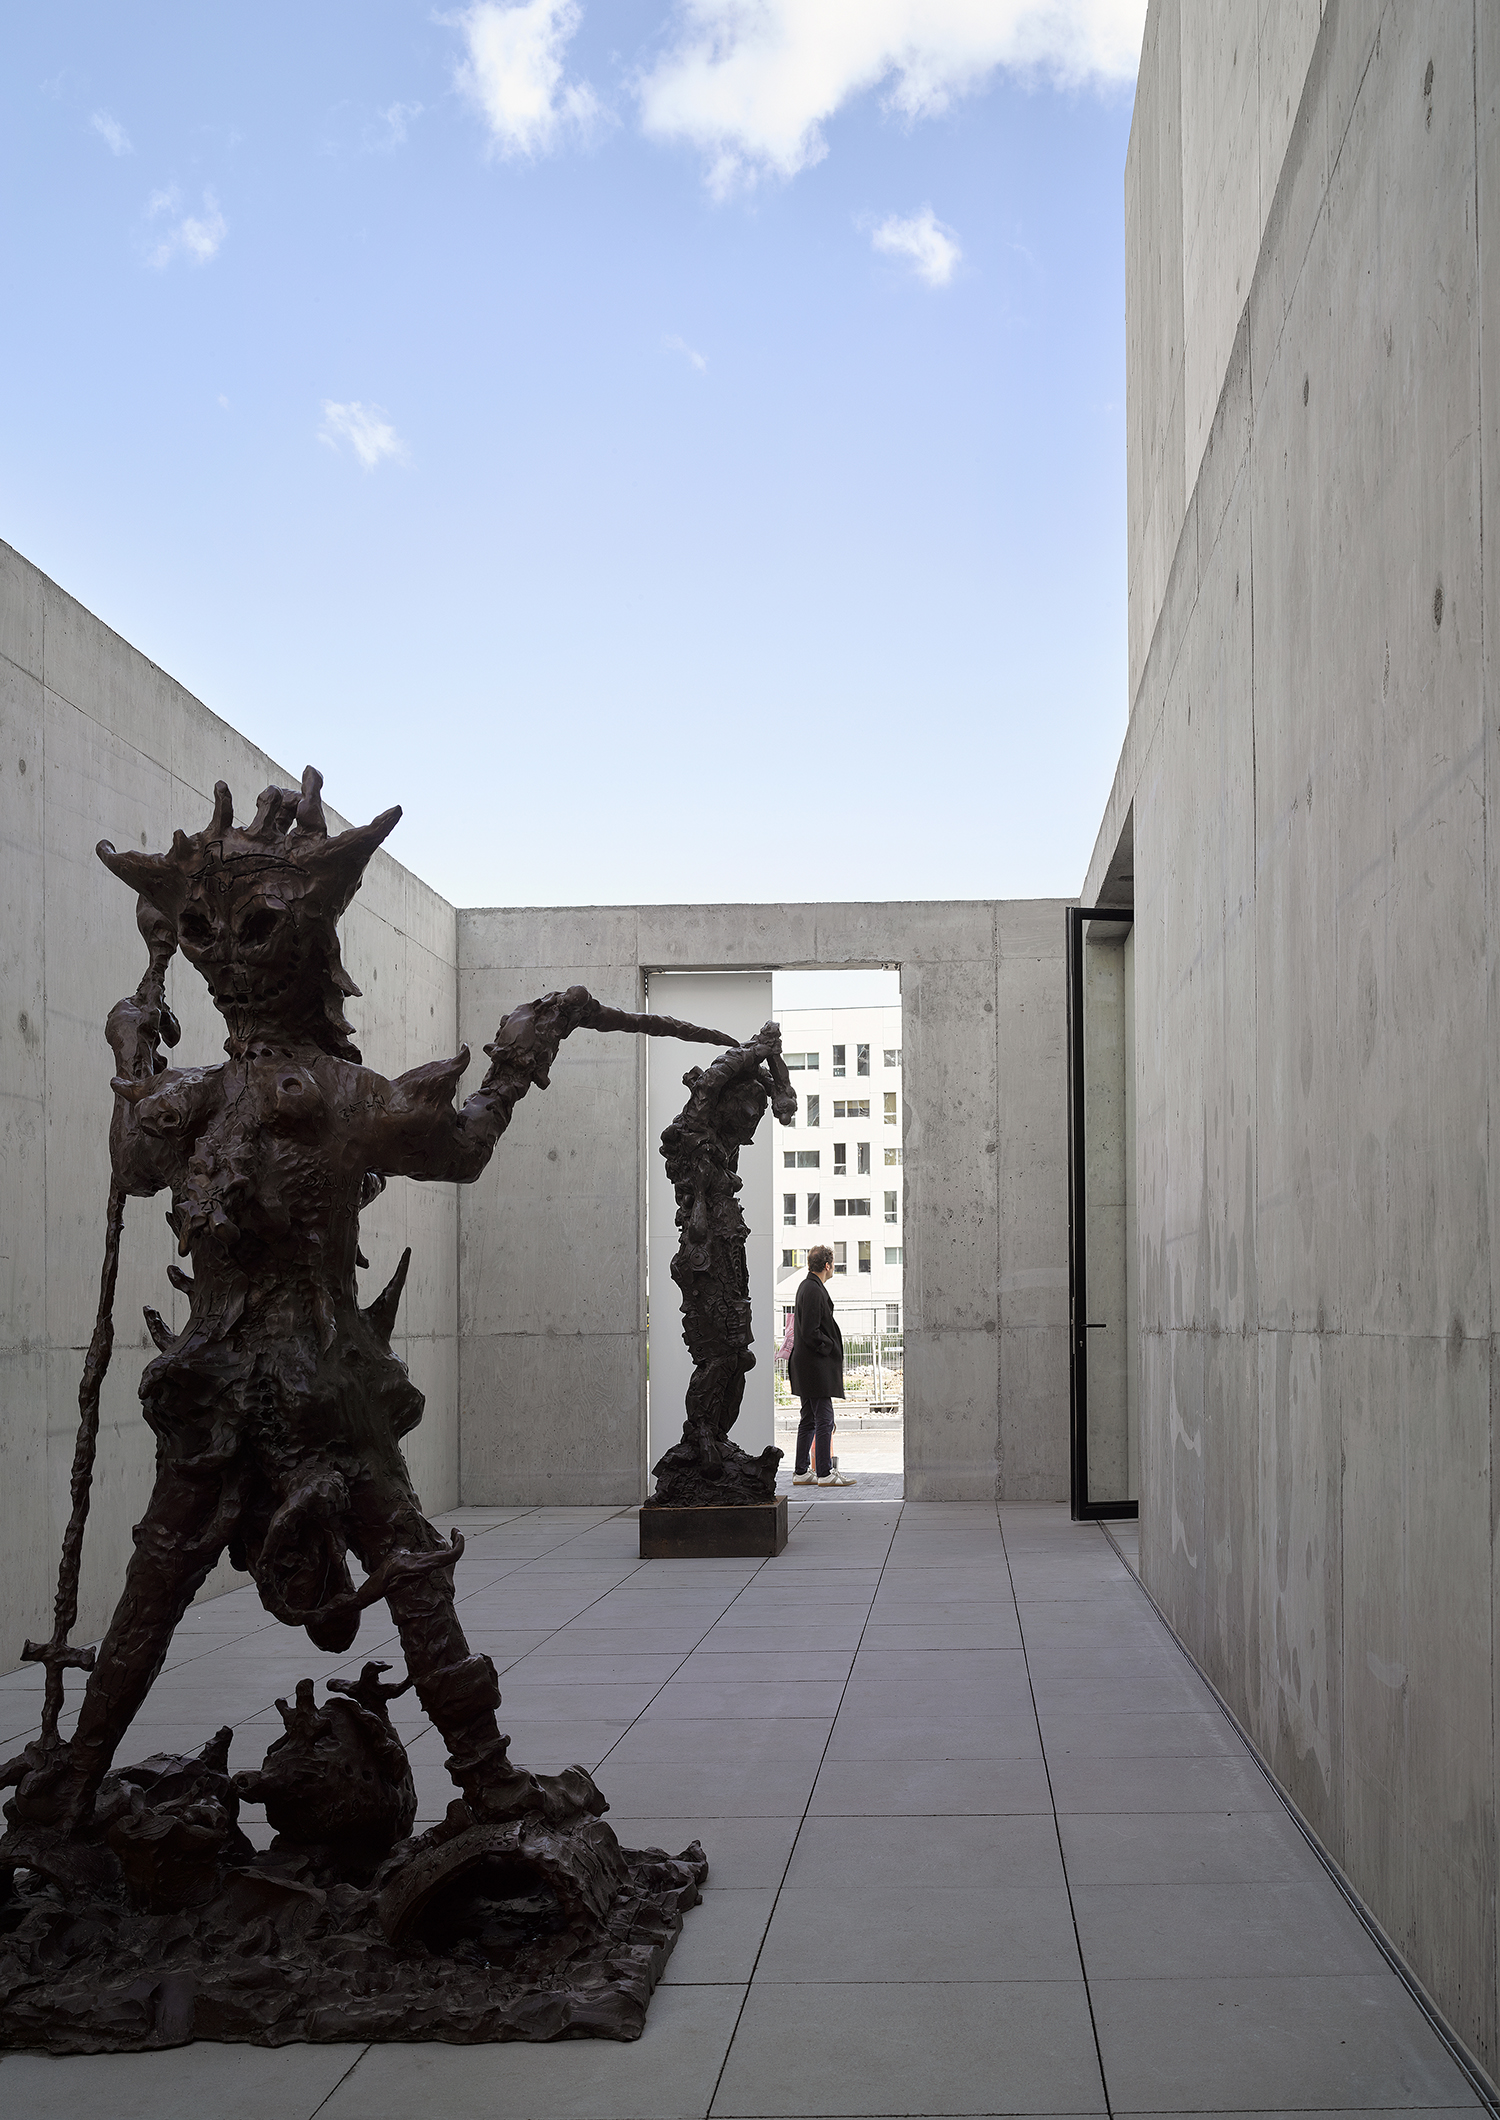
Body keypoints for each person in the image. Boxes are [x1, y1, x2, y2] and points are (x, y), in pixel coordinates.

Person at [788, 1245, 855, 1487]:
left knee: (808, 1418)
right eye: (833, 1263)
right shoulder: (814, 1290)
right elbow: (811, 1331)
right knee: (825, 1419)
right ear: (827, 1265)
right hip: (814, 1366)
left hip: (806, 1365)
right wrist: (830, 1345)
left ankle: (801, 1471)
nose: (833, 1267)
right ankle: (825, 1473)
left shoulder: (806, 1286)